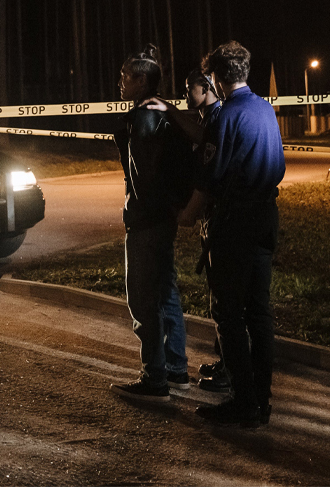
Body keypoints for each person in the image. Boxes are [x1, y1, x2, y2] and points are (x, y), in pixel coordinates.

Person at [151, 41, 284, 427]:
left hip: (234, 224)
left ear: (216, 77)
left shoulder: (225, 117)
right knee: (259, 312)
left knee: (228, 313)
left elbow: (208, 180)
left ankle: (242, 402)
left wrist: (187, 216)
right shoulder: (264, 109)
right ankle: (261, 400)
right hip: (266, 218)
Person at [110, 45, 191, 402]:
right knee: (166, 292)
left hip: (147, 221)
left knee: (144, 299)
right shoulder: (164, 113)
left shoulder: (143, 116)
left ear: (142, 80)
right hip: (164, 217)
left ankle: (154, 379)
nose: (120, 82)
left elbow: (144, 176)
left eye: (125, 77)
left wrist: (138, 212)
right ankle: (176, 369)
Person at [183, 68, 232, 393]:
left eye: (190, 88)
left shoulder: (217, 119)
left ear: (207, 87)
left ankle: (231, 368)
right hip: (212, 218)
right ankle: (225, 358)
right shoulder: (205, 118)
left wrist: (190, 212)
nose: (186, 94)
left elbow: (210, 175)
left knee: (224, 298)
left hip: (220, 218)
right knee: (218, 293)